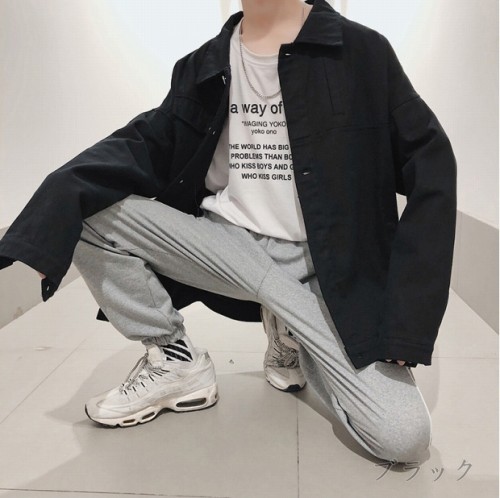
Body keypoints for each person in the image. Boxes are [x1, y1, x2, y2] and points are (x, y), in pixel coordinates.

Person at [0, 0, 457, 465]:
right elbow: (145, 143)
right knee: (82, 208)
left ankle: (290, 327)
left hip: (328, 267)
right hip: (227, 248)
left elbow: (432, 168)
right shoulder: (204, 65)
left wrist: (408, 322)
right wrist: (51, 213)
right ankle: (175, 358)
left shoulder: (361, 51)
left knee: (404, 437)